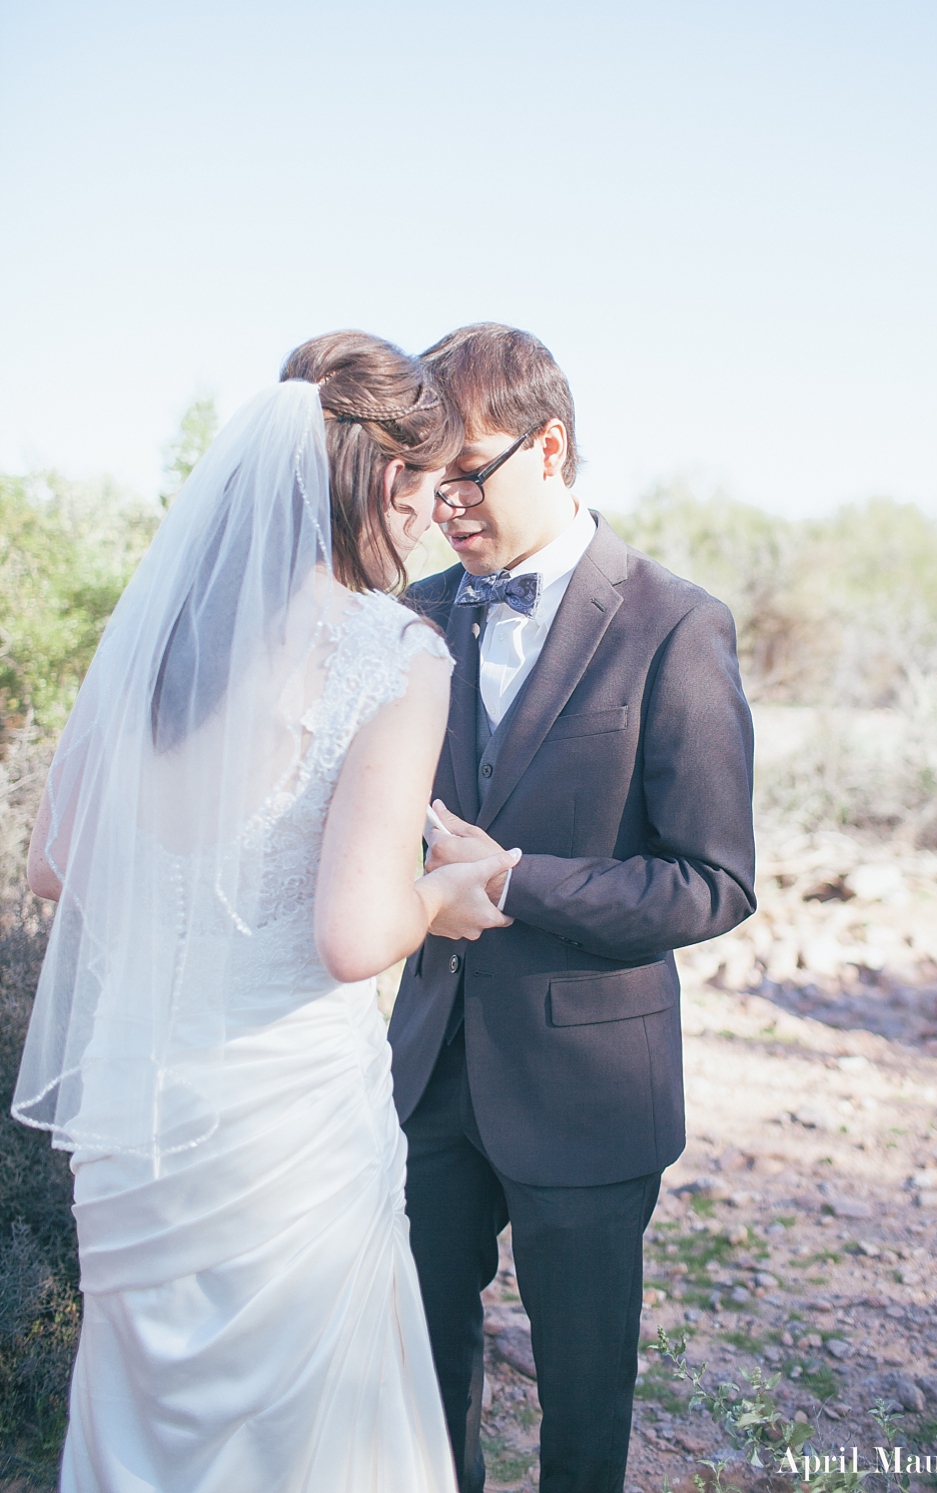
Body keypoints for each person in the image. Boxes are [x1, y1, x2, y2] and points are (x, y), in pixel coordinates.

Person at [14, 331, 521, 1493]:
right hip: (280, 1131)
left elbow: (53, 864)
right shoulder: (393, 651)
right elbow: (353, 935)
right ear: (384, 480)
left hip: (140, 1115)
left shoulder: (166, 639)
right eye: (431, 485)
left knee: (145, 1430)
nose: (434, 516)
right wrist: (439, 895)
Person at [388, 323, 757, 1493]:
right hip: (422, 1072)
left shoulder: (672, 623)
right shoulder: (412, 616)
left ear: (548, 446)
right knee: (417, 1371)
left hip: (588, 1088)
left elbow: (713, 879)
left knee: (583, 1406)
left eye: (466, 474)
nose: (443, 505)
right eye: (424, 479)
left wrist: (514, 877)